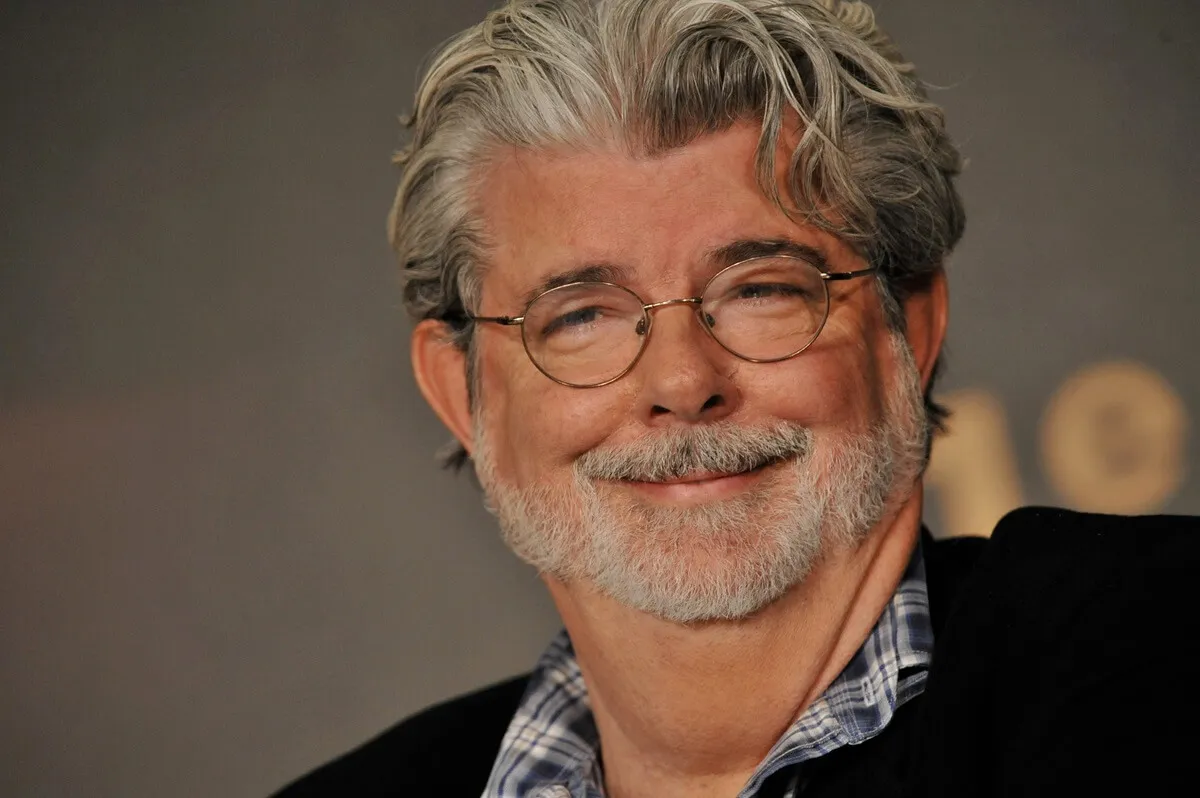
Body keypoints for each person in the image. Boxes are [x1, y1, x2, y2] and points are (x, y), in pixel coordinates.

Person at [275, 0, 1199, 795]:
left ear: (907, 330)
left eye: (760, 290)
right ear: (460, 391)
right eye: (583, 315)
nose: (681, 382)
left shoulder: (1159, 652)